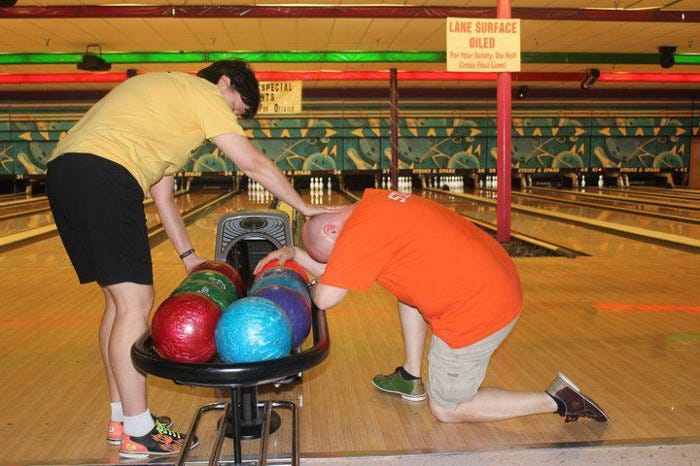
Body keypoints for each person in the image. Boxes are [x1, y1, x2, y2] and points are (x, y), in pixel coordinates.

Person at [46, 59, 335, 458]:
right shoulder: (201, 93)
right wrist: (304, 207)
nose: (232, 119)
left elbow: (163, 197)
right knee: (136, 303)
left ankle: (121, 420)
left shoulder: (166, 106)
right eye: (235, 109)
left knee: (117, 302)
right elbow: (253, 162)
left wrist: (188, 257)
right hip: (105, 174)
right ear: (224, 82)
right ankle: (139, 432)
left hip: (66, 172)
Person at [254, 189, 608, 424]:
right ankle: (410, 376)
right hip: (493, 277)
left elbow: (326, 297)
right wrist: (296, 256)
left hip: (480, 309)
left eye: (334, 257)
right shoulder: (374, 206)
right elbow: (341, 275)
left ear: (332, 230)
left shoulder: (362, 235)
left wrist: (306, 280)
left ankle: (557, 400)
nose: (339, 263)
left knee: (446, 408)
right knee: (402, 286)